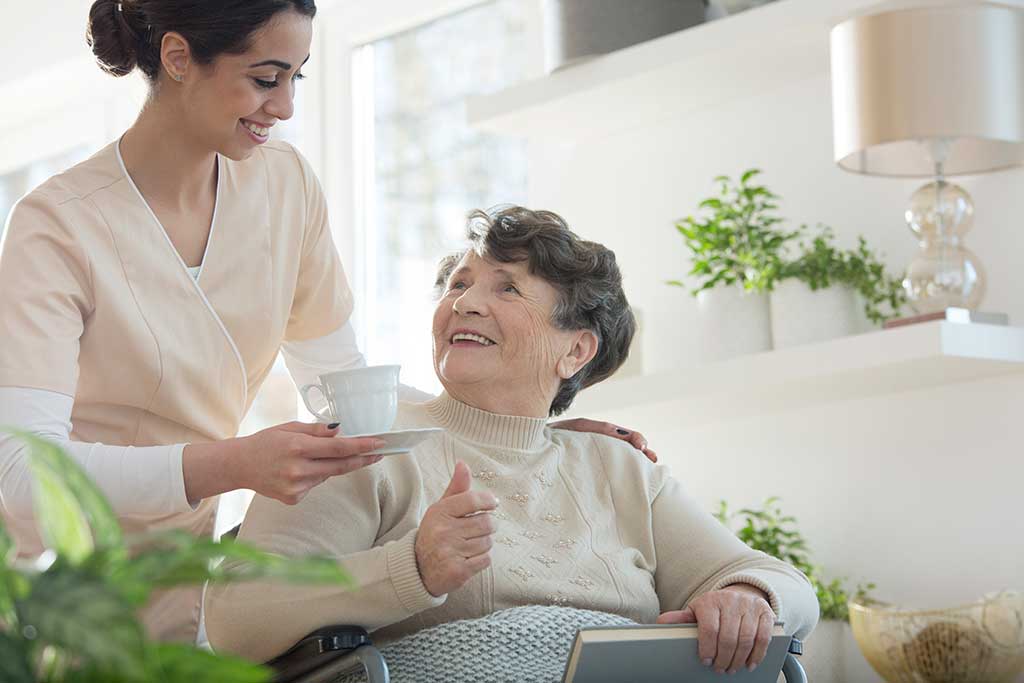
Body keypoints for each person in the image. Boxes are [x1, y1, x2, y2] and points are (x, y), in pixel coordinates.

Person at [0, 2, 651, 644]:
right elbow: (21, 473)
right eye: (264, 77)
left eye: (297, 77)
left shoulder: (283, 187)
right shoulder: (58, 226)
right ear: (177, 57)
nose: (283, 107)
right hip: (46, 592)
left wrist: (521, 428)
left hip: (180, 577)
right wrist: (231, 464)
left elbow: (353, 398)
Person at [204, 206, 820, 675]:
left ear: (576, 349)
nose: (466, 303)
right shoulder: (365, 445)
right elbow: (236, 618)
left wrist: (746, 596)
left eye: (507, 288)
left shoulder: (620, 468)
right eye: (458, 286)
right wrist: (411, 568)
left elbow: (784, 586)